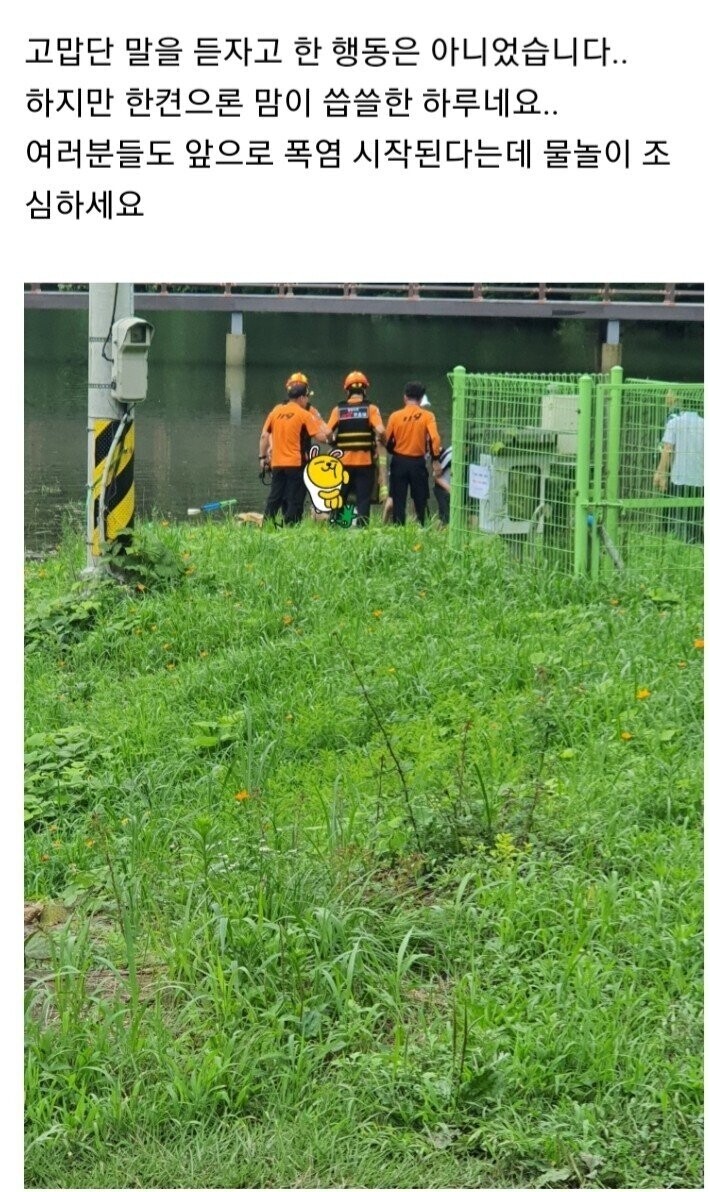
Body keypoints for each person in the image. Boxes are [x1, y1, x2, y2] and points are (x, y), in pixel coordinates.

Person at [259, 374, 329, 524]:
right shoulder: (308, 413)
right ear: (303, 396)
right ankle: (291, 525)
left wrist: (264, 456)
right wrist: (334, 438)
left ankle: (267, 524)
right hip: (297, 461)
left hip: (277, 462)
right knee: (296, 497)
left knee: (276, 496)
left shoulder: (277, 410)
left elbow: (266, 435)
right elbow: (323, 433)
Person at [326, 371, 386, 525]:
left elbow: (327, 432)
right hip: (364, 464)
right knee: (363, 500)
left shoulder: (338, 410)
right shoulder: (371, 409)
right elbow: (380, 431)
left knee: (340, 498)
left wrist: (333, 442)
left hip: (343, 464)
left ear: (347, 391)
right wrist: (383, 442)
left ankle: (335, 526)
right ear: (364, 390)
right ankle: (362, 529)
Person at [384, 381, 443, 525]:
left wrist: (393, 450)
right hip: (417, 462)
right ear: (421, 398)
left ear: (405, 397)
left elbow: (388, 440)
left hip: (399, 461)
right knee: (420, 498)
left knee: (398, 499)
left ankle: (398, 527)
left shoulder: (395, 416)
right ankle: (421, 525)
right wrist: (435, 459)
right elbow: (435, 439)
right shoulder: (428, 416)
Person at [652, 392, 704, 543]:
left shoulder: (674, 423)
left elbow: (667, 450)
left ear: (682, 404)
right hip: (700, 480)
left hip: (679, 478)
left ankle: (675, 542)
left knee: (675, 515)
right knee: (695, 519)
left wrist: (660, 473)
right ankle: (695, 544)